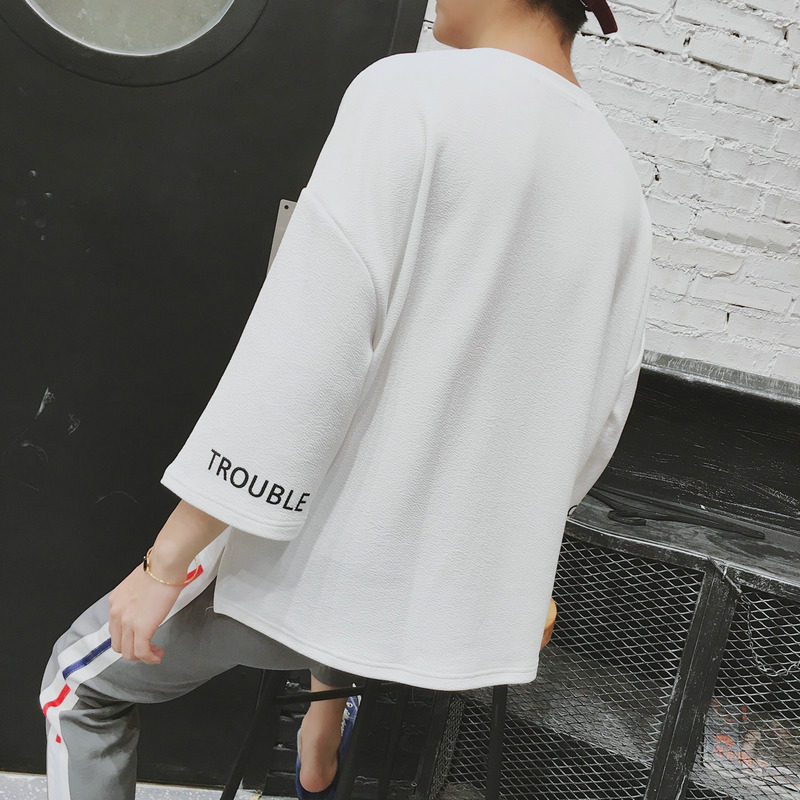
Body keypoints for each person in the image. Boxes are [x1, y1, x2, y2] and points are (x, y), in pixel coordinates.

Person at [40, 0, 649, 797]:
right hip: (458, 610)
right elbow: (599, 420)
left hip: (318, 587)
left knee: (75, 687)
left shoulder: (410, 95)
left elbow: (306, 362)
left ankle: (325, 710)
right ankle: (323, 728)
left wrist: (165, 565)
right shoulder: (618, 182)